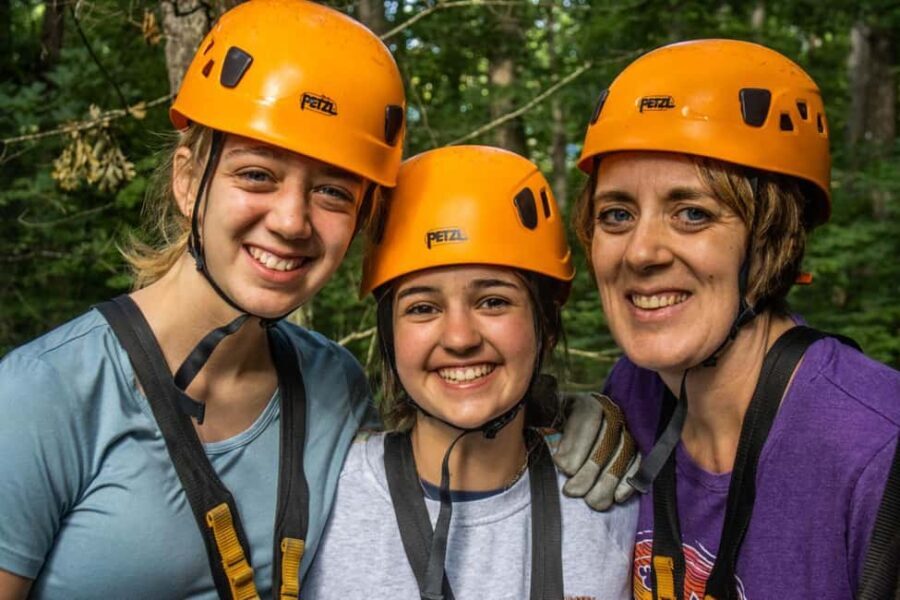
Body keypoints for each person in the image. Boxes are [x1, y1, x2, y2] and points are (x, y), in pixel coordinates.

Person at [0, 1, 406, 597]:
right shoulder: (43, 395)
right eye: (257, 175)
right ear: (188, 181)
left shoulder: (335, 387)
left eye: (332, 193)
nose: (292, 221)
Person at [565, 38, 900, 598]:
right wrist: (544, 416)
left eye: (692, 213)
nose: (641, 252)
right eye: (617, 214)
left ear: (773, 239)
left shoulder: (874, 450)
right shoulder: (633, 395)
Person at [303, 145, 639, 599]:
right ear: (389, 337)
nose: (460, 338)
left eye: (493, 301)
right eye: (423, 308)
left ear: (545, 326)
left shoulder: (615, 507)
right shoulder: (321, 502)